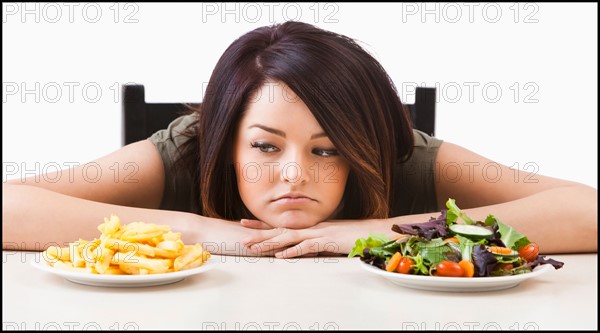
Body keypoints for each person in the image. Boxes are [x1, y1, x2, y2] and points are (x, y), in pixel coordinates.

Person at [3, 21, 597, 257]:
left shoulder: (407, 157)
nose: (294, 174)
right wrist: (200, 231)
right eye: (265, 146)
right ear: (225, 142)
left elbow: (588, 213)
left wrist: (371, 235)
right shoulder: (186, 149)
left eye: (327, 148)